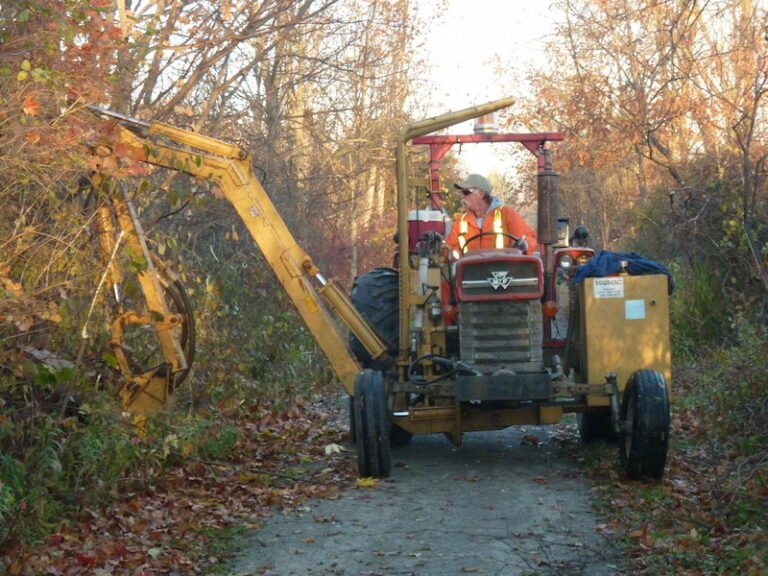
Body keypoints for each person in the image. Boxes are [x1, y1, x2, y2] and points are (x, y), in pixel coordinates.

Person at [444, 173, 538, 255]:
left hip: (503, 272)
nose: (462, 196)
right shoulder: (461, 222)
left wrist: (523, 245)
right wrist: (446, 252)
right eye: (461, 192)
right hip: (472, 273)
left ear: (481, 194)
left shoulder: (507, 213)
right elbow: (449, 248)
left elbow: (527, 239)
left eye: (466, 192)